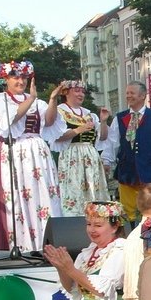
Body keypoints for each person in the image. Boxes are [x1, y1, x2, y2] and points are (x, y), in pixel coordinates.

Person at [0, 60, 62, 253]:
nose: (20, 81)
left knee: (43, 193)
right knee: (19, 193)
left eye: (23, 77)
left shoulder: (38, 102)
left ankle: (45, 242)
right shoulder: (0, 101)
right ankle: (23, 243)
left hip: (37, 149)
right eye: (15, 77)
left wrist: (53, 100)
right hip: (16, 148)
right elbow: (11, 118)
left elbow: (49, 121)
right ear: (5, 79)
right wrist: (30, 99)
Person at [102, 81, 151, 225]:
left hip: (149, 170)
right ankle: (131, 238)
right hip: (126, 170)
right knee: (128, 210)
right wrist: (107, 160)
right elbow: (112, 142)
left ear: (142, 96)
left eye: (132, 93)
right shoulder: (120, 118)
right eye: (127, 93)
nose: (128, 96)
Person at [44, 80, 110, 216]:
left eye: (82, 91)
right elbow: (56, 136)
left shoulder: (89, 114)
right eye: (77, 90)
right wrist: (79, 129)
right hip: (71, 156)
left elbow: (102, 138)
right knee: (74, 191)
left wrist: (103, 121)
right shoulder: (60, 111)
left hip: (90, 157)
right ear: (66, 93)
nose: (81, 94)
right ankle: (73, 220)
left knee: (93, 191)